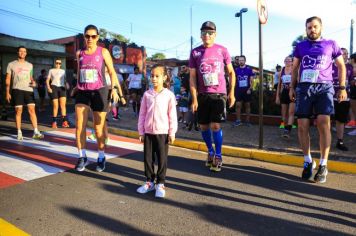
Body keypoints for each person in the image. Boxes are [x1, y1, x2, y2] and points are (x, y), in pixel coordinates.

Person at [289, 16, 347, 183]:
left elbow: (341, 66)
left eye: (315, 27)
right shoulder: (300, 46)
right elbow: (295, 68)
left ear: (320, 27)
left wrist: (341, 88)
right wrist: (293, 87)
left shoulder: (331, 44)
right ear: (306, 29)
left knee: (323, 122)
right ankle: (308, 161)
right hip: (304, 88)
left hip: (324, 87)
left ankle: (323, 164)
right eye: (309, 27)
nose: (312, 30)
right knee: (302, 125)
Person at [74, 24, 125, 172]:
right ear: (84, 37)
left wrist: (114, 89)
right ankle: (82, 157)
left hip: (99, 91)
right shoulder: (79, 53)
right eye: (87, 36)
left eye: (93, 36)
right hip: (83, 92)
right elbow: (79, 71)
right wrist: (76, 86)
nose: (90, 39)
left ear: (97, 38)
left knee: (98, 128)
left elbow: (111, 72)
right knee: (79, 126)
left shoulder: (103, 52)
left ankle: (101, 157)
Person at [189, 21, 236, 172]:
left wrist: (231, 92)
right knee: (203, 126)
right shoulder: (195, 52)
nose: (207, 35)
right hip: (203, 95)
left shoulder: (222, 50)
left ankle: (218, 154)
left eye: (210, 33)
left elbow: (231, 72)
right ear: (200, 35)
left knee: (216, 125)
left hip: (219, 94)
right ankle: (209, 151)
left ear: (215, 35)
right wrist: (195, 98)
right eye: (204, 33)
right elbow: (192, 77)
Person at [137, 64, 177, 198]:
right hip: (148, 132)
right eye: (152, 75)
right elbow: (142, 114)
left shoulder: (169, 95)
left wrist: (172, 132)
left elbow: (172, 115)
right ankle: (149, 181)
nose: (153, 78)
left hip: (163, 132)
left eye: (157, 76)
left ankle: (160, 183)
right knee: (148, 159)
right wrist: (141, 131)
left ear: (164, 77)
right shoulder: (147, 94)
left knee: (162, 159)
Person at [5, 46, 44, 140]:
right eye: (21, 51)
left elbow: (31, 78)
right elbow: (8, 79)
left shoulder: (30, 65)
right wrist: (7, 92)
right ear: (17, 53)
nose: (23, 53)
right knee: (19, 111)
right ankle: (19, 132)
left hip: (29, 90)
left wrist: (34, 83)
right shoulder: (11, 64)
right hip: (17, 89)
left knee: (32, 110)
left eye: (24, 51)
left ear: (26, 53)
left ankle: (36, 131)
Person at [331, 48, 352, 151]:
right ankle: (325, 140)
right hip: (329, 97)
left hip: (344, 98)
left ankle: (340, 141)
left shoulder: (349, 67)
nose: (346, 55)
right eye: (344, 54)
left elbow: (352, 79)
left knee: (341, 120)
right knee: (326, 119)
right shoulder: (329, 66)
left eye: (347, 54)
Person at [46, 59, 70, 128]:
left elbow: (64, 80)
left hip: (62, 88)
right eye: (57, 63)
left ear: (61, 64)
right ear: (55, 63)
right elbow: (47, 80)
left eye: (59, 63)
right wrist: (48, 88)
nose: (58, 64)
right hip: (54, 87)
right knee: (56, 106)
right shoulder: (51, 70)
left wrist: (67, 84)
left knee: (63, 106)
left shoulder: (63, 71)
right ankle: (54, 122)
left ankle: (64, 122)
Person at [275, 56, 295, 138]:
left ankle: (287, 130)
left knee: (291, 112)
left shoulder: (295, 70)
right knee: (284, 114)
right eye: (286, 60)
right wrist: (277, 96)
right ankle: (286, 127)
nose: (287, 62)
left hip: (293, 93)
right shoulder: (282, 71)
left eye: (289, 60)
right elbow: (279, 84)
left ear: (292, 62)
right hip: (284, 93)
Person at [234, 55, 254, 127]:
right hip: (238, 90)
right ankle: (238, 120)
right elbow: (234, 80)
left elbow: (252, 80)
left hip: (247, 90)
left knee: (247, 105)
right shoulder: (236, 70)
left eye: (242, 60)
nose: (241, 61)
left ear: (245, 61)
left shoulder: (249, 69)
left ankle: (247, 121)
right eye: (239, 60)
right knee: (238, 105)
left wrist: (250, 88)